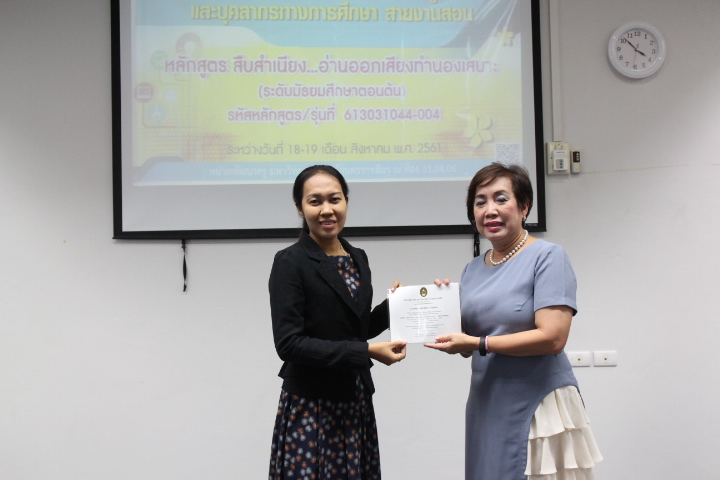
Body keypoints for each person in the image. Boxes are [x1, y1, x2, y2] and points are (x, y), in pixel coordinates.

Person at [425, 163, 602, 480]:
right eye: (480, 202)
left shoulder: (548, 256)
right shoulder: (473, 269)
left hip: (537, 400)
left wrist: (478, 343)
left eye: (501, 199)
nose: (489, 210)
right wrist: (436, 305)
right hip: (486, 400)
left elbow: (553, 338)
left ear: (524, 207)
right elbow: (466, 344)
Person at [268, 165, 407, 480]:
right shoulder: (290, 261)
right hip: (311, 404)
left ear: (346, 201)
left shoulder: (358, 257)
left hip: (354, 399)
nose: (327, 210)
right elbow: (289, 344)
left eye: (335, 199)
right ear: (300, 208)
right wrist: (367, 352)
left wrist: (397, 306)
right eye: (315, 201)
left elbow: (354, 329)